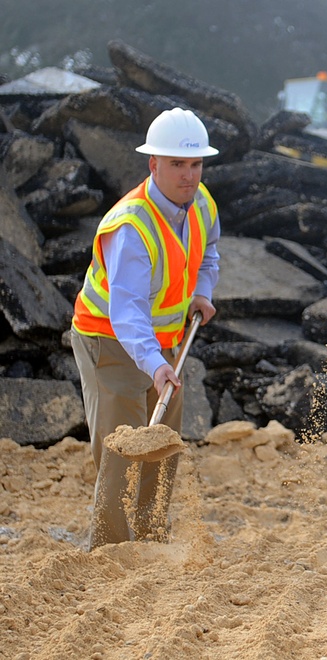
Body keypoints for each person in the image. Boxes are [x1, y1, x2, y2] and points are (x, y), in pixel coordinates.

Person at [71, 108, 221, 550]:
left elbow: (208, 254)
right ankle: (112, 550)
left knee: (162, 442)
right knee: (122, 448)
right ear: (153, 164)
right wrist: (156, 366)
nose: (188, 176)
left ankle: (152, 538)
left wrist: (203, 292)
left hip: (167, 340)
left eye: (195, 165)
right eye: (177, 164)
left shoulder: (203, 204)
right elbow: (128, 312)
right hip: (109, 341)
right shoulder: (130, 227)